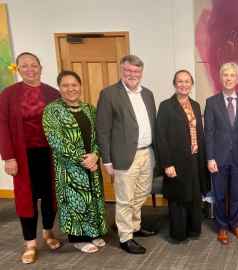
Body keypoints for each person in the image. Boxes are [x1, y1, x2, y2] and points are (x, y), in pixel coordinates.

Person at [0, 52, 61, 264]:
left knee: (49, 196)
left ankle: (48, 232)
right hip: (22, 156)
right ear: (18, 69)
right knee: (27, 199)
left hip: (49, 154)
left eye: (33, 65)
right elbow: (3, 126)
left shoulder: (53, 93)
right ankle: (30, 243)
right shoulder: (8, 94)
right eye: (24, 66)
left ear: (40, 67)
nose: (30, 69)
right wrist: (8, 157)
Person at [96, 55, 157, 254]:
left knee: (141, 193)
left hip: (147, 153)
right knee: (124, 199)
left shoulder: (147, 94)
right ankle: (125, 237)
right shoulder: (109, 94)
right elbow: (103, 130)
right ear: (122, 70)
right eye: (128, 71)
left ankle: (134, 226)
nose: (132, 74)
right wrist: (107, 160)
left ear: (141, 73)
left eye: (136, 71)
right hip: (124, 156)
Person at [42, 70, 108, 254]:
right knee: (75, 201)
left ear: (80, 86)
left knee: (93, 198)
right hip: (69, 167)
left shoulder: (89, 109)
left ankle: (93, 232)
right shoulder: (52, 110)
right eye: (65, 85)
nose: (70, 89)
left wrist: (95, 155)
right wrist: (82, 159)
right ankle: (78, 238)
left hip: (92, 163)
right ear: (59, 88)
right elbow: (56, 140)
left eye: (74, 85)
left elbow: (99, 135)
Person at [155, 70, 209, 242]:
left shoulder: (195, 105)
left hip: (194, 159)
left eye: (187, 81)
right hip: (175, 161)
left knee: (193, 195)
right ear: (174, 84)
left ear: (191, 84)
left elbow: (200, 133)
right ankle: (179, 233)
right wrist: (167, 164)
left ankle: (193, 229)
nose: (184, 84)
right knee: (178, 196)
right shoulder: (165, 106)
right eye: (180, 81)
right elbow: (160, 137)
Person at [204, 62, 238, 245]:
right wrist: (210, 157)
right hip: (219, 158)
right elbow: (209, 133)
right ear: (221, 78)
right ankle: (222, 226)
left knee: (237, 194)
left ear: (237, 79)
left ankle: (235, 225)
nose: (229, 78)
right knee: (220, 195)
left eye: (232, 75)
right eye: (225, 75)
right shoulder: (211, 102)